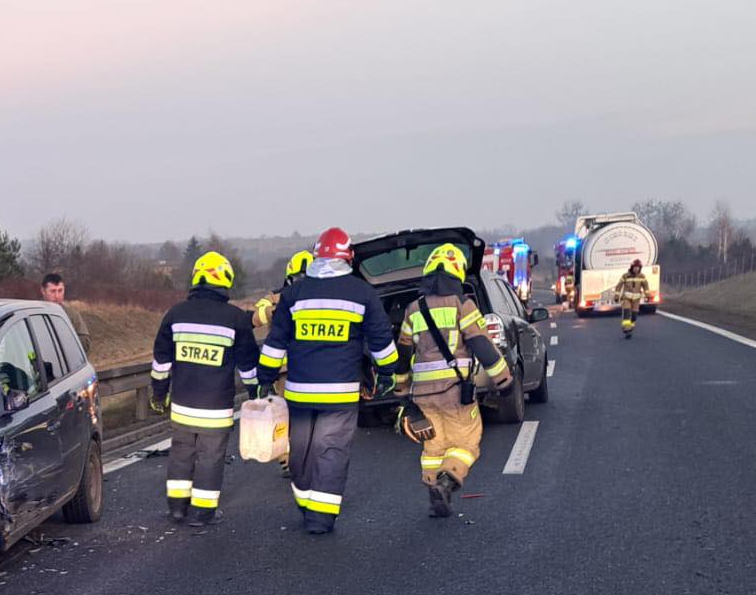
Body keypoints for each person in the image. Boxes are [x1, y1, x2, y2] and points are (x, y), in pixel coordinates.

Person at [259, 227, 398, 534]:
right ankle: (320, 518)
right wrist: (387, 373)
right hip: (340, 394)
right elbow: (381, 342)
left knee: (300, 452)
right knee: (330, 450)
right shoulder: (362, 293)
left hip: (299, 393)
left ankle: (306, 502)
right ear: (348, 257)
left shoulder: (294, 294)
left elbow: (275, 342)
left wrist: (264, 379)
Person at [393, 243, 513, 518]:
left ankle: (434, 492)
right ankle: (446, 482)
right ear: (457, 271)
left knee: (434, 445)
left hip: (422, 393)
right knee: (466, 443)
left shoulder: (413, 308)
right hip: (454, 390)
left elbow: (402, 354)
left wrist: (401, 390)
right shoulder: (463, 304)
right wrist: (503, 381)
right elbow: (482, 345)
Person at [150, 250, 261, 528]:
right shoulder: (235, 318)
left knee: (181, 454)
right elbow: (248, 366)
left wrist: (158, 395)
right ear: (225, 281)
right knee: (211, 458)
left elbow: (161, 362)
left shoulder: (175, 314)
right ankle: (203, 513)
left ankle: (177, 508)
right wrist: (255, 394)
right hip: (216, 407)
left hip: (182, 404)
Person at [615, 259, 648, 335]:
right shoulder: (625, 276)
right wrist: (617, 296)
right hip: (626, 298)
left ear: (640, 268)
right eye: (635, 267)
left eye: (638, 267)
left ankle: (631, 326)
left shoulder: (642, 276)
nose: (636, 269)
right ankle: (626, 328)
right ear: (632, 267)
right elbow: (619, 286)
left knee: (634, 314)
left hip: (636, 299)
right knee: (626, 312)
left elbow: (646, 286)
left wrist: (648, 295)